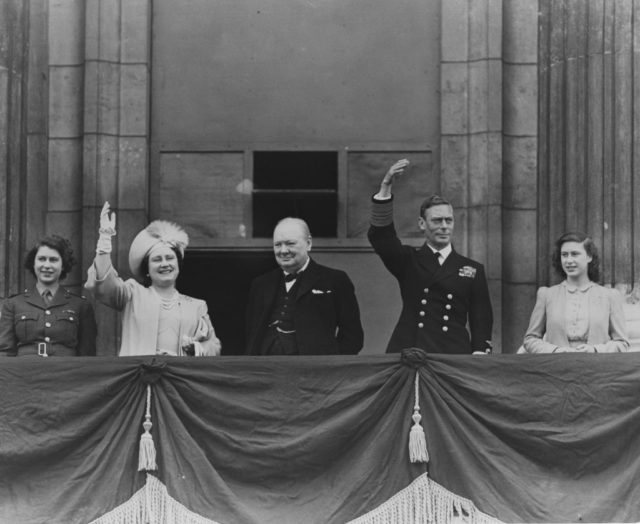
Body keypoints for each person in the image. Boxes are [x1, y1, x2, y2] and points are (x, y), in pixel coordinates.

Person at [368, 158, 493, 354]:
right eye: (437, 220)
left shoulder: (472, 269)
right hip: (411, 351)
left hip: (453, 355)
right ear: (422, 224)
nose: (444, 226)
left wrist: (479, 352)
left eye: (448, 220)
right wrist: (385, 188)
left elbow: (481, 317)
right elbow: (382, 239)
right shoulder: (408, 260)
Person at [85, 202, 221, 357]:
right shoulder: (133, 294)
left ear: (178, 264)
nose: (164, 264)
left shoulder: (197, 306)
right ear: (147, 270)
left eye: (169, 258)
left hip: (178, 379)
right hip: (139, 377)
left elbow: (213, 346)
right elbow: (103, 285)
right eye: (157, 260)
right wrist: (104, 240)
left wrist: (196, 348)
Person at [245, 217, 364, 355]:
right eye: (278, 244)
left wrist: (330, 367)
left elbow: (353, 337)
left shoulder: (335, 280)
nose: (283, 250)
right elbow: (251, 333)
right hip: (267, 370)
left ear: (308, 243)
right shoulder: (260, 284)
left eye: (290, 243)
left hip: (313, 372)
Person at [522, 232, 629, 353]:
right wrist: (555, 351)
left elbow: (622, 342)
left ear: (589, 257)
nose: (568, 260)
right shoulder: (546, 295)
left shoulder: (610, 296)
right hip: (555, 369)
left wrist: (595, 350)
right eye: (564, 255)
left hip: (597, 369)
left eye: (575, 254)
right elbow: (530, 340)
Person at [0, 235, 96, 357]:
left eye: (53, 260)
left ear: (63, 266)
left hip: (65, 373)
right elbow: (4, 353)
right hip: (25, 374)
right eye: (41, 259)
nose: (47, 265)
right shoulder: (13, 304)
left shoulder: (81, 306)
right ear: (33, 264)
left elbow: (87, 355)